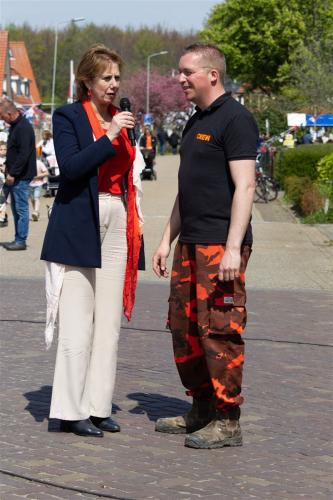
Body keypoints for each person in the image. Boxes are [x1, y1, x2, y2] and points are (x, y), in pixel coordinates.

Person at [152, 43, 258, 449]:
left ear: (212, 74)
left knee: (220, 330)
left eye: (187, 72)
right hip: (190, 244)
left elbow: (245, 185)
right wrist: (166, 240)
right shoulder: (194, 121)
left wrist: (233, 247)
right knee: (183, 329)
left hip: (219, 246)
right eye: (179, 72)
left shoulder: (236, 119)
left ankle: (228, 420)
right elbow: (186, 190)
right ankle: (201, 408)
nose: (180, 79)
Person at [41, 43, 144, 438]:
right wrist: (110, 135)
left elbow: (129, 174)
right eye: (106, 78)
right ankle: (69, 410)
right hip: (82, 218)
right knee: (78, 322)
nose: (114, 85)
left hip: (117, 216)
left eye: (117, 77)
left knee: (108, 323)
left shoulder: (122, 116)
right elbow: (70, 169)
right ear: (86, 80)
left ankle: (98, 406)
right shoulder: (68, 116)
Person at [0, 99, 36, 250]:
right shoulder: (16, 126)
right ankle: (18, 238)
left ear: (10, 113)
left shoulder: (23, 128)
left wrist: (13, 173)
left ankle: (21, 241)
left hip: (20, 176)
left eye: (2, 116)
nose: (1, 119)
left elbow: (24, 154)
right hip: (15, 175)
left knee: (21, 209)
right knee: (15, 209)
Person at [0, 141, 9, 227]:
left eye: (4, 149)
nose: (3, 151)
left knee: (3, 201)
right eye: (1, 149)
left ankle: (2, 217)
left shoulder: (8, 159)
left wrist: (5, 169)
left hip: (5, 183)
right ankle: (3, 216)